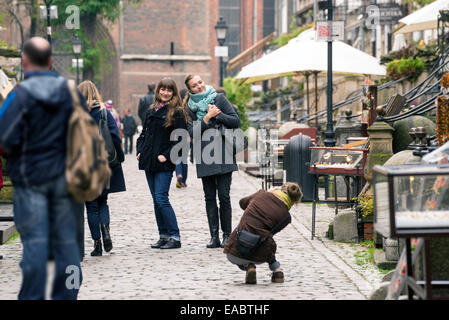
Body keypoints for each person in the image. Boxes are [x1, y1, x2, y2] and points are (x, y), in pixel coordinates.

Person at [0, 37, 85, 299]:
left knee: (35, 244)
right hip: (67, 179)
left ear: (25, 61)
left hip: (31, 179)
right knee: (68, 243)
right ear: (50, 62)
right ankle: (67, 294)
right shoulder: (72, 93)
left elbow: (4, 139)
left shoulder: (19, 95)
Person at [184, 75, 240, 249]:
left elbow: (235, 121)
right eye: (194, 85)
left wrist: (219, 114)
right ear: (190, 90)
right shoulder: (188, 108)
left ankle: (227, 236)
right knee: (209, 197)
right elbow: (192, 132)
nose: (199, 86)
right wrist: (207, 118)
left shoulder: (219, 98)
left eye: (200, 82)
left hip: (223, 152)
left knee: (224, 196)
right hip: (204, 154)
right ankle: (214, 236)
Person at [136, 78, 189, 250]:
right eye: (163, 90)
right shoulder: (151, 110)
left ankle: (175, 236)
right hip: (149, 161)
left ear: (173, 92)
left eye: (169, 90)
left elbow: (180, 140)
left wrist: (166, 156)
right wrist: (139, 150)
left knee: (161, 198)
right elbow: (143, 134)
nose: (165, 93)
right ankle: (163, 235)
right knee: (156, 200)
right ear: (158, 91)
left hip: (164, 163)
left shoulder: (177, 112)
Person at [78, 81, 126, 257]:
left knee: (91, 206)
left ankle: (97, 244)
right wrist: (119, 158)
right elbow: (115, 137)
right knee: (103, 202)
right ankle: (106, 230)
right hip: (105, 164)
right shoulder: (104, 112)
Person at [223, 182, 302, 284]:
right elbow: (270, 233)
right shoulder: (286, 217)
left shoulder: (262, 194)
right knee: (264, 238)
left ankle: (248, 267)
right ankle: (277, 271)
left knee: (251, 233)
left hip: (234, 250)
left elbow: (242, 203)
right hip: (260, 256)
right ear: (294, 203)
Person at [175, 88, 189, 188]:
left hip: (175, 135)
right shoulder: (188, 109)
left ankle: (178, 174)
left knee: (177, 157)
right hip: (185, 136)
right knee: (184, 158)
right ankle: (183, 181)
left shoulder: (175, 108)